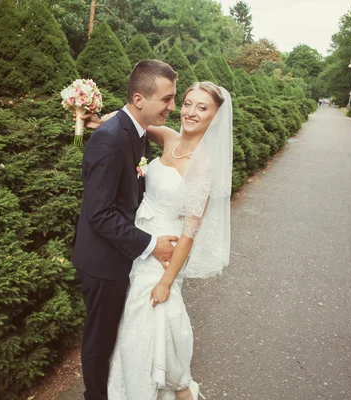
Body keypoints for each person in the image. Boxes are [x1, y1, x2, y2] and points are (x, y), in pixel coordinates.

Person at [95, 82, 233, 399]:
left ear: (215, 117)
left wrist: (167, 282)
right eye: (187, 103)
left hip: (165, 256)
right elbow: (133, 120)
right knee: (147, 330)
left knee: (143, 329)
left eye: (202, 108)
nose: (190, 112)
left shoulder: (204, 167)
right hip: (141, 242)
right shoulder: (170, 138)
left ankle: (169, 389)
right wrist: (95, 117)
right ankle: (179, 388)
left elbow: (188, 234)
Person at [72, 59, 182, 400]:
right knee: (99, 341)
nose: (172, 106)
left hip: (122, 257)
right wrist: (151, 244)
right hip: (103, 262)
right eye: (166, 99)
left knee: (115, 336)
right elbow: (100, 214)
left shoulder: (135, 131)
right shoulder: (110, 139)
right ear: (139, 99)